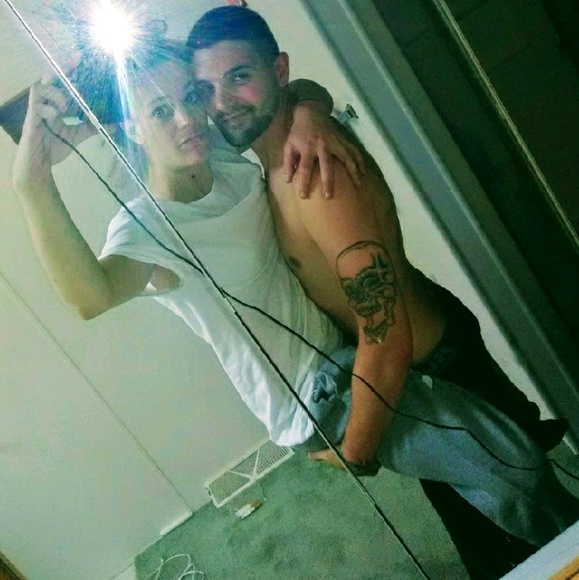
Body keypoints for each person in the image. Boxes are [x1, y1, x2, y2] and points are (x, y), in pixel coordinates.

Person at [13, 36, 577, 580]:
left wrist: (308, 116)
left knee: (485, 453)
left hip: (343, 351)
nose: (187, 119)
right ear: (132, 129)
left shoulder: (227, 162)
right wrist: (33, 184)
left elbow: (291, 90)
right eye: (161, 112)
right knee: (505, 464)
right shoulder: (146, 227)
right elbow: (90, 298)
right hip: (317, 396)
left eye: (191, 96)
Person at [187, 6, 575, 578]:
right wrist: (310, 108)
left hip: (436, 373)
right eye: (206, 89)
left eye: (238, 77)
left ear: (278, 70)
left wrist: (358, 449)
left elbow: (386, 336)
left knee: (538, 545)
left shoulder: (315, 179)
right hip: (415, 376)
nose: (222, 103)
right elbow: (306, 91)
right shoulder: (280, 150)